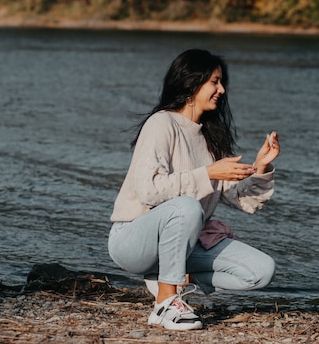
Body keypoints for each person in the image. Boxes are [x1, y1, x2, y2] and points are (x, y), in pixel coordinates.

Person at [108, 49, 279, 331]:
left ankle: (169, 276)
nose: (221, 90)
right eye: (214, 81)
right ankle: (165, 302)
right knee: (188, 206)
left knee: (260, 271)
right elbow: (149, 191)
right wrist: (208, 173)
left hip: (181, 244)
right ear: (192, 83)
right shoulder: (161, 124)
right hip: (133, 239)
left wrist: (260, 168)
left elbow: (243, 200)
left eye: (221, 82)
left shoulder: (210, 138)